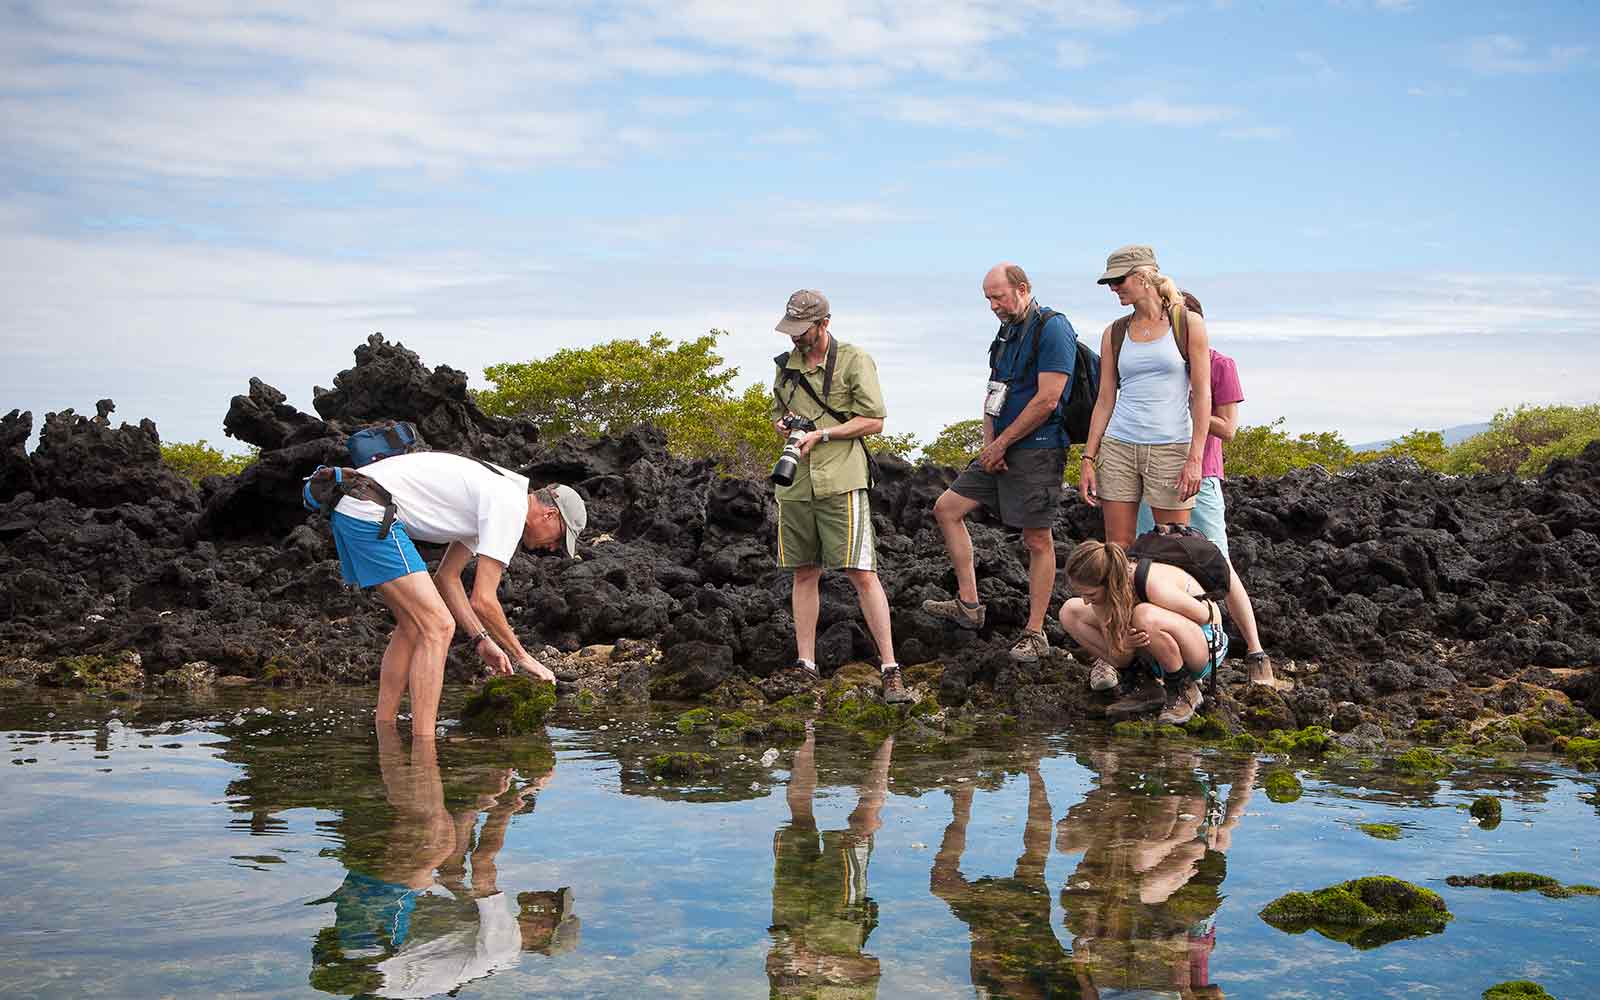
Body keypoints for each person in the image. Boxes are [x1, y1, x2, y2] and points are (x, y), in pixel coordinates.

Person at [322, 450, 588, 736]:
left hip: (354, 503)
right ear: (549, 514)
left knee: (414, 626)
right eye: (559, 538)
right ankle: (425, 748)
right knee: (438, 627)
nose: (552, 548)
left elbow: (448, 578)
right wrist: (524, 657)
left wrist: (482, 640)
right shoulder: (510, 506)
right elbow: (484, 600)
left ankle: (385, 732)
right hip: (370, 509)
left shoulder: (500, 492)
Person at [923, 263, 1078, 663]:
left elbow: (1048, 399)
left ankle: (1035, 631)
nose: (993, 305)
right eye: (988, 299)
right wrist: (989, 446)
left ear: (1023, 288)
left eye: (998, 296)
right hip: (1000, 449)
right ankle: (970, 605)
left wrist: (1004, 444)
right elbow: (994, 391)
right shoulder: (1006, 331)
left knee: (1036, 539)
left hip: (1039, 448)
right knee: (947, 508)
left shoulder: (1054, 328)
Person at [771, 289, 908, 704]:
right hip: (796, 483)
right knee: (803, 571)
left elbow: (875, 421)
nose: (795, 338)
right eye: (791, 329)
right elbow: (778, 411)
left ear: (824, 323)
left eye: (803, 330)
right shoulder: (785, 367)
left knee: (861, 573)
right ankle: (806, 665)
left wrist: (823, 433)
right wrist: (784, 426)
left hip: (842, 480)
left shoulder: (853, 359)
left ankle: (890, 668)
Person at [1134, 344, 1275, 687]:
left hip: (1202, 475)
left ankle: (1256, 654)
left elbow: (1227, 428)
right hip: (1153, 474)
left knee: (1219, 564)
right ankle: (1157, 656)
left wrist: (1184, 405)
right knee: (1146, 561)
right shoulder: (1157, 364)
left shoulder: (1220, 365)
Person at [1079, 245, 1211, 550]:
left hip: (1170, 446)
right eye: (1109, 283)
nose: (1113, 288)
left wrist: (1195, 458)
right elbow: (1104, 399)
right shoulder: (1114, 332)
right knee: (1119, 546)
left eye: (1119, 280)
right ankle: (1122, 600)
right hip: (1118, 446)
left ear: (1143, 277)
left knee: (1175, 545)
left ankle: (1170, 600)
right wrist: (1088, 457)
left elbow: (1203, 395)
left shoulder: (1188, 323)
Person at [766, 729, 894, 999]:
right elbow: (870, 969)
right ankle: (889, 733)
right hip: (839, 914)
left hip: (788, 915)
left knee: (800, 820)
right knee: (863, 824)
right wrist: (818, 965)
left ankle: (807, 728)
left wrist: (789, 959)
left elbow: (771, 963)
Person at [1057, 540, 1225, 724]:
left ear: (1110, 583)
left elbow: (1206, 615)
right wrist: (1126, 644)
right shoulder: (1103, 600)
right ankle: (1145, 685)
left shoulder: (1149, 583)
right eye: (1082, 594)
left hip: (1206, 642)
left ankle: (1183, 689)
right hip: (1159, 645)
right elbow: (1118, 657)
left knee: (1144, 615)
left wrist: (1148, 615)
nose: (1086, 601)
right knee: (1069, 611)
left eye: (1091, 595)